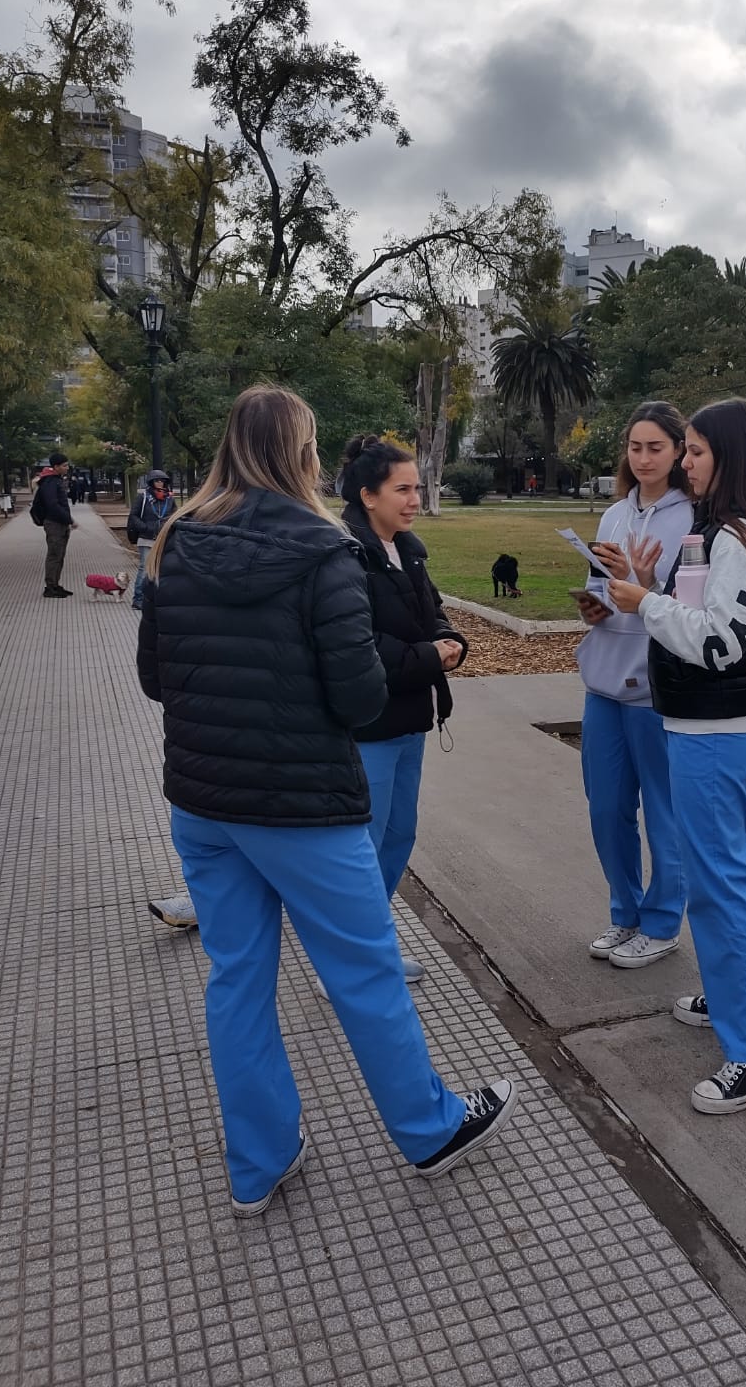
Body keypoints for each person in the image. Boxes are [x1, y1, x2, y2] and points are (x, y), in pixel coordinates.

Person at [137, 385, 516, 1214]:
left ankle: (257, 1161)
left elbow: (154, 679)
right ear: (302, 454)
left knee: (237, 980)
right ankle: (428, 1130)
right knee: (365, 970)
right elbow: (356, 698)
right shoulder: (322, 549)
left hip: (203, 803)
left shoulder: (172, 539)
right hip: (303, 806)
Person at [607, 398, 746, 1117]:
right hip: (714, 729)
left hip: (716, 730)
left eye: (692, 451)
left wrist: (643, 604)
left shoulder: (741, 532)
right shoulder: (739, 523)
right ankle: (729, 996)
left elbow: (720, 646)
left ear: (727, 453)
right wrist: (653, 587)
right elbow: (711, 613)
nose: (682, 462)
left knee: (719, 886)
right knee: (721, 876)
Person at [327, 434, 467, 986]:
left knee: (397, 836)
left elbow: (432, 611)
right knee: (362, 847)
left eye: (419, 487)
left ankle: (371, 945)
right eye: (403, 489)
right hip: (370, 724)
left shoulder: (407, 547)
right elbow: (354, 642)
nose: (415, 499)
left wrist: (450, 641)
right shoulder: (344, 551)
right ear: (368, 495)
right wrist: (426, 655)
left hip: (411, 717)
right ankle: (349, 962)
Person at [574, 402, 693, 969]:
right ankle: (624, 912)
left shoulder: (692, 517)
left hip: (657, 682)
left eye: (656, 448)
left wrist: (647, 587)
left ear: (678, 452)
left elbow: (694, 609)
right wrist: (594, 606)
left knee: (663, 809)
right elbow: (599, 588)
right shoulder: (614, 515)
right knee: (606, 806)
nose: (643, 458)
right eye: (635, 447)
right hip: (603, 677)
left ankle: (663, 920)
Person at [126, 470, 176, 611]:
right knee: (144, 569)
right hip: (146, 538)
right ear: (151, 482)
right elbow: (133, 516)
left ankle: (157, 597)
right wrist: (145, 528)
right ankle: (138, 599)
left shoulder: (169, 499)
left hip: (163, 539)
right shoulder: (143, 498)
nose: (160, 483)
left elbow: (174, 515)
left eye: (162, 481)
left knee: (161, 570)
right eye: (157, 480)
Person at [32, 452, 76, 598]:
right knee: (54, 555)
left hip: (61, 523)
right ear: (56, 467)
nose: (67, 468)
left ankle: (55, 584)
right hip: (54, 523)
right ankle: (50, 587)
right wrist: (69, 519)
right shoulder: (50, 482)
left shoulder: (56, 480)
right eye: (64, 465)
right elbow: (53, 505)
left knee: (60, 555)